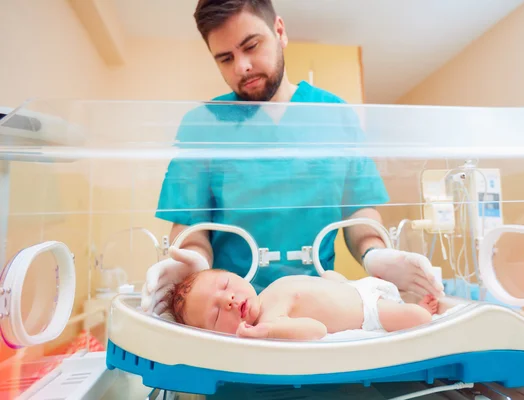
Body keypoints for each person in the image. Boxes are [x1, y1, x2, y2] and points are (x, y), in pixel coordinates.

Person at [141, 0, 444, 317]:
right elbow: (191, 225)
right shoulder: (204, 124)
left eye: (251, 46)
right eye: (226, 58)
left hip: (322, 306)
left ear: (280, 31)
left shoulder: (333, 115)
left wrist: (376, 253)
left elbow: (359, 210)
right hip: (232, 315)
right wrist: (190, 260)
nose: (242, 66)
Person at [168, 247, 439, 340]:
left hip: (351, 286)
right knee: (415, 316)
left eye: (226, 285)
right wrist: (271, 332)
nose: (227, 300)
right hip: (367, 310)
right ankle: (424, 311)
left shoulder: (266, 294)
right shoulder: (270, 321)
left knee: (330, 277)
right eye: (215, 313)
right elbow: (317, 329)